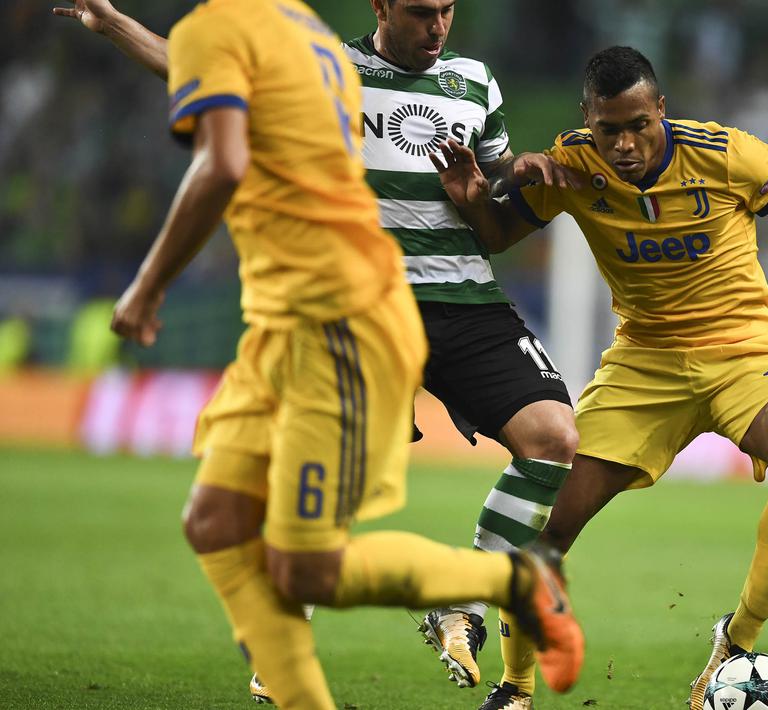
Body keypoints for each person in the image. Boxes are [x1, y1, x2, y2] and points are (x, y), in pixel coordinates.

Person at [54, 0, 583, 698]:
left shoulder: (473, 82)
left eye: (448, 12)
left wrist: (513, 177)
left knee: (552, 436)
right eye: (422, 13)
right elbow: (203, 70)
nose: (438, 27)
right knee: (317, 484)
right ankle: (287, 642)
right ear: (382, 7)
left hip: (462, 299)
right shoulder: (329, 62)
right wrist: (118, 24)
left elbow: (491, 201)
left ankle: (465, 603)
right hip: (364, 297)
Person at [431, 46, 768, 710]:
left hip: (743, 349)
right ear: (588, 121)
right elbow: (495, 233)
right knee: (549, 522)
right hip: (644, 365)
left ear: (661, 109)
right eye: (609, 130)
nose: (625, 144)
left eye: (638, 125)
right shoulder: (568, 163)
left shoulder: (722, 154)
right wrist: (472, 201)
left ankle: (736, 639)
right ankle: (514, 691)